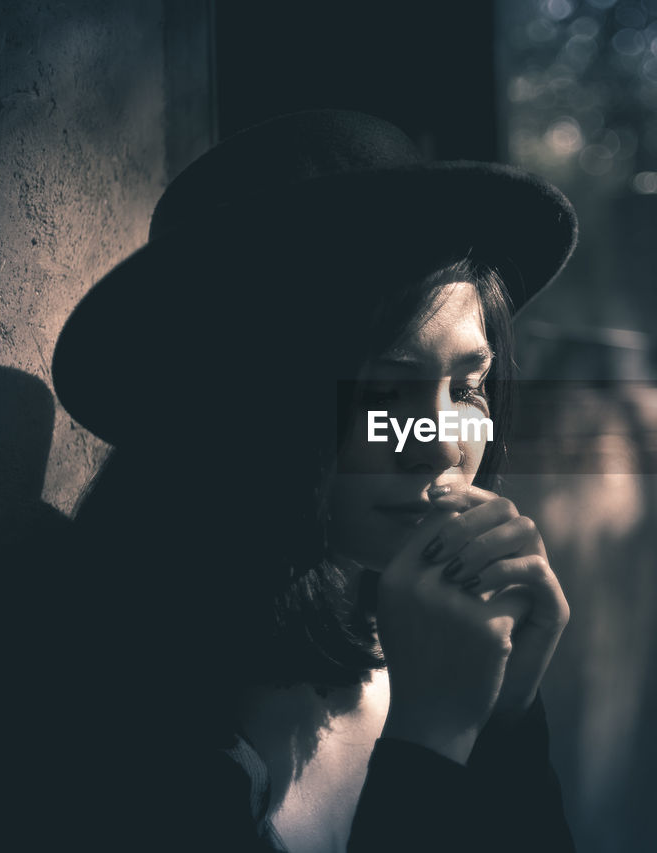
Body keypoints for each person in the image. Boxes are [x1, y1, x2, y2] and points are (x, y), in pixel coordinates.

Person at [37, 110, 580, 851]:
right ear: (245, 406)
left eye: (467, 387)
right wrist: (431, 738)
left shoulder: (440, 641)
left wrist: (503, 720)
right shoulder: (118, 694)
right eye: (380, 393)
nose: (438, 444)